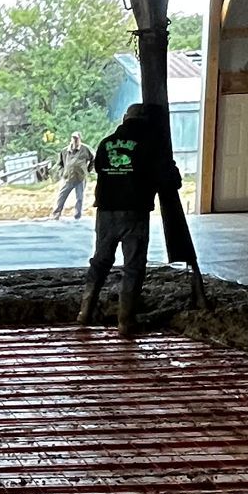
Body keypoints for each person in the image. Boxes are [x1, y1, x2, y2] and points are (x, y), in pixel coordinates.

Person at [78, 102, 182, 338]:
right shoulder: (150, 145)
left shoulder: (105, 144)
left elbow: (99, 170)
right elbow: (169, 180)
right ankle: (125, 322)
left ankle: (85, 312)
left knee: (100, 261)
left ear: (125, 119)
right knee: (133, 266)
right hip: (134, 212)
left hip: (105, 211)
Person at [51, 132, 91, 222]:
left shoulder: (85, 149)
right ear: (71, 139)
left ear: (80, 139)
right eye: (73, 138)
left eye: (76, 138)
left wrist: (87, 170)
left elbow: (93, 159)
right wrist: (62, 173)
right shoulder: (65, 151)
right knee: (61, 196)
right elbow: (60, 164)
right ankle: (56, 214)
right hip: (68, 178)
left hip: (80, 178)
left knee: (79, 198)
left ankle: (77, 216)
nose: (75, 140)